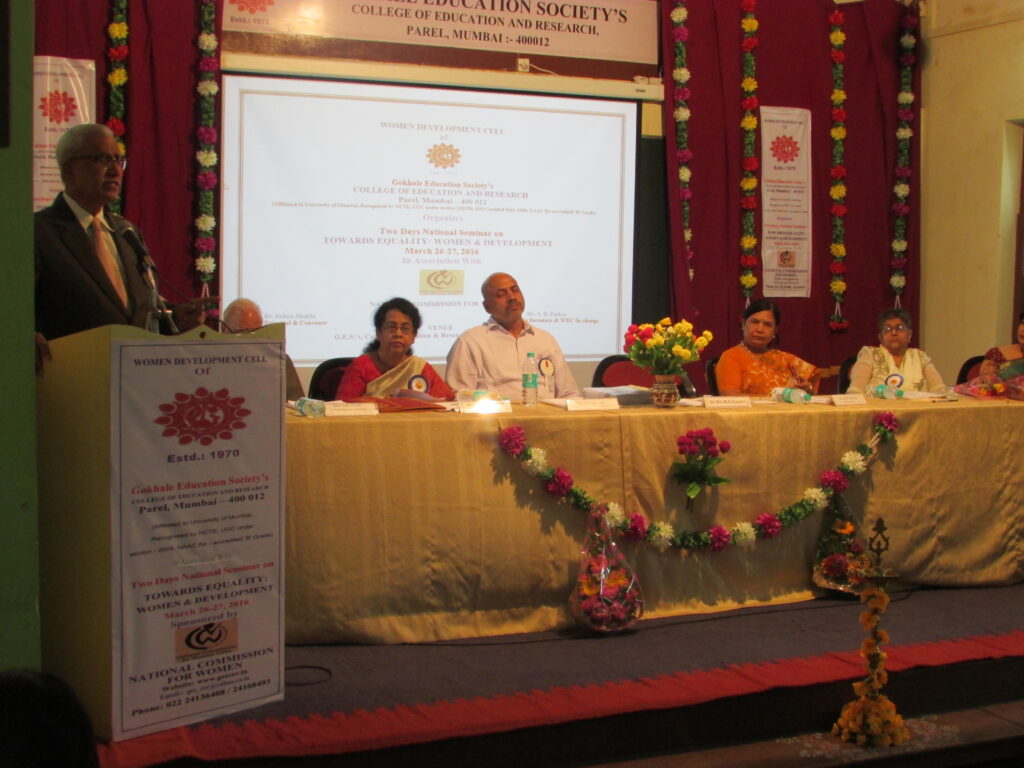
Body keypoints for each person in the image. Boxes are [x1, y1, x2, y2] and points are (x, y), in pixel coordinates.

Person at [34, 123, 204, 369]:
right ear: (69, 170)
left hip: (133, 379)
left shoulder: (126, 232)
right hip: (72, 376)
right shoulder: (39, 232)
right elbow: (16, 309)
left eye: (119, 160)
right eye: (102, 159)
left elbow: (139, 309)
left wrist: (176, 316)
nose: (115, 170)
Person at [445, 272, 581, 401]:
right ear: (487, 307)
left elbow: (568, 394)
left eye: (515, 290)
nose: (512, 298)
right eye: (501, 295)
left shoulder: (545, 339)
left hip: (546, 415)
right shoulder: (470, 341)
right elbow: (460, 396)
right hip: (496, 416)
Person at [336, 297, 454, 401]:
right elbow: (343, 409)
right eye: (391, 327)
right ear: (378, 333)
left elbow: (447, 402)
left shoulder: (419, 367)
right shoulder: (361, 367)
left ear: (414, 336)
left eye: (405, 328)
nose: (398, 334)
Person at [715, 299, 820, 396]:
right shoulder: (731, 357)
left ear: (775, 330)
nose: (760, 329)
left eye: (768, 324)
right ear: (743, 324)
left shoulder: (785, 359)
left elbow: (812, 383)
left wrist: (807, 388)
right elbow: (731, 398)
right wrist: (776, 399)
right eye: (755, 322)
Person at [222, 297, 304, 401]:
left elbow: (295, 404)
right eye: (242, 332)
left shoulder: (278, 360)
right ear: (223, 330)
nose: (248, 339)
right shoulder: (211, 360)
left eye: (256, 332)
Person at [847, 308, 946, 394]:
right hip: (878, 410)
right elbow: (856, 390)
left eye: (900, 328)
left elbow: (939, 389)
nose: (894, 332)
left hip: (917, 409)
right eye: (887, 329)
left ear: (909, 335)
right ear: (880, 337)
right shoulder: (869, 354)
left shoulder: (920, 357)